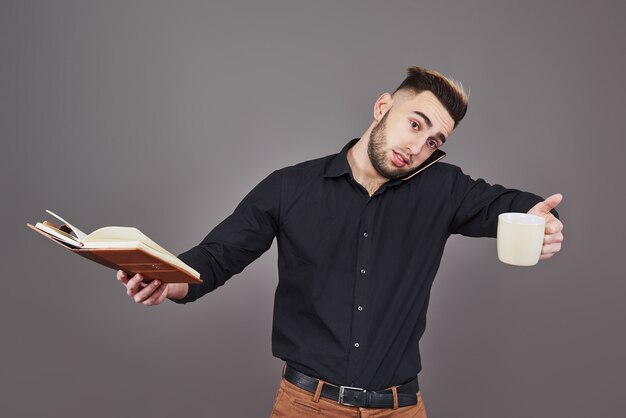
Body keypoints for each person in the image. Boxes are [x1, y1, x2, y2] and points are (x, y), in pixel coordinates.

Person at [116, 66, 564, 417]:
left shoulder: (443, 189)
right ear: (383, 106)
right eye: (415, 124)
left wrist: (545, 222)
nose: (418, 146)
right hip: (306, 407)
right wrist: (167, 281)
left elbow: (516, 205)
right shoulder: (289, 187)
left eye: (434, 141)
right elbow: (217, 258)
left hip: (400, 408)